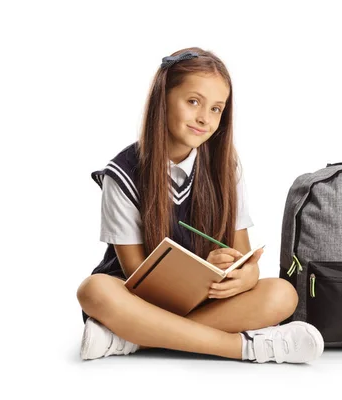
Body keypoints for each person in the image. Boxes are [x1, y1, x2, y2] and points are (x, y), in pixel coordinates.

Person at [76, 47, 324, 364]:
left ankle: (131, 340)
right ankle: (247, 348)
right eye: (193, 101)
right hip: (139, 301)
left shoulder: (226, 166)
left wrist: (246, 275)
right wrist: (197, 275)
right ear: (163, 98)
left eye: (217, 109)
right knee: (94, 291)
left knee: (283, 294)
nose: (205, 118)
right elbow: (136, 277)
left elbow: (243, 256)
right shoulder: (122, 175)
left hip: (204, 302)